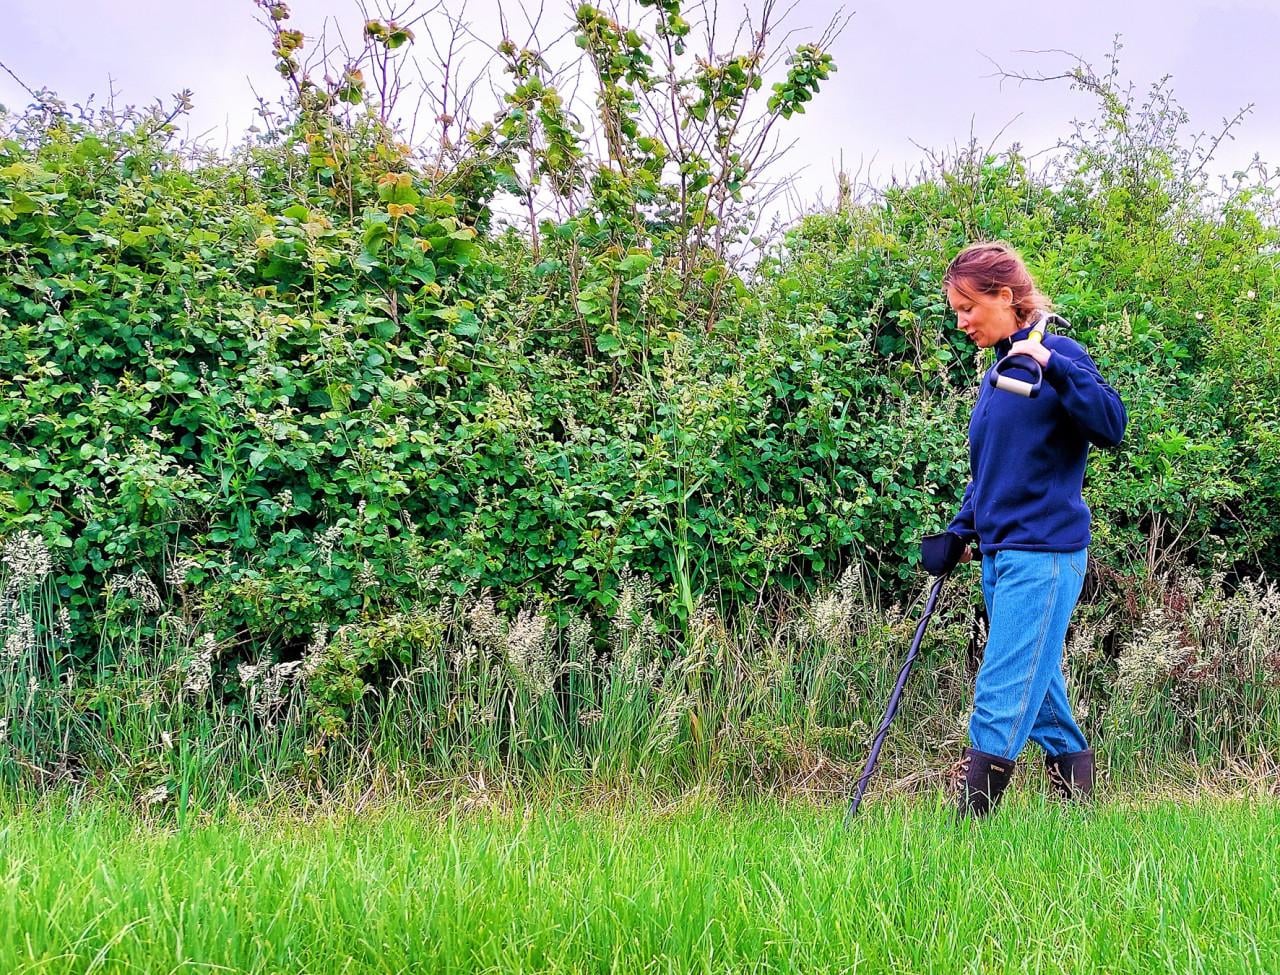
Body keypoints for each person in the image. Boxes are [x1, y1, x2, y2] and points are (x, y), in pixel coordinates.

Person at [928, 241, 1127, 818]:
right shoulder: (999, 375)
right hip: (1000, 553)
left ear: (1004, 296)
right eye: (956, 311)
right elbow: (992, 471)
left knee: (1004, 683)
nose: (961, 322)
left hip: (1044, 553)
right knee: (1039, 691)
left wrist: (1054, 366)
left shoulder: (1057, 354)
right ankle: (1077, 812)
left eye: (968, 308)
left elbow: (1111, 426)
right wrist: (959, 532)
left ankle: (967, 829)